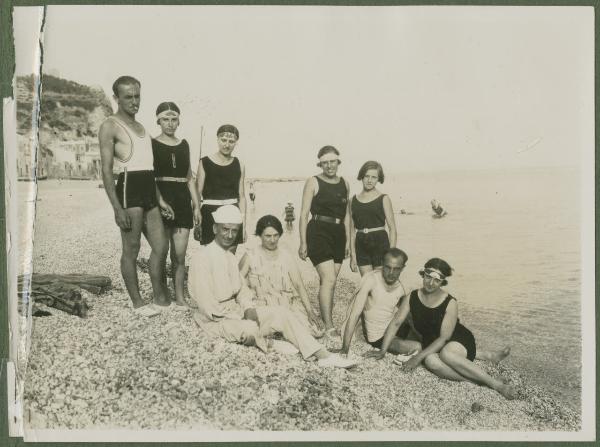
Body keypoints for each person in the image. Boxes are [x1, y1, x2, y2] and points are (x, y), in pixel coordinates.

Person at [187, 205, 356, 369]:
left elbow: (241, 290)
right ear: (215, 229)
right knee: (249, 328)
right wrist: (239, 316)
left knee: (282, 313)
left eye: (234, 231)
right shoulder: (202, 257)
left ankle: (323, 355)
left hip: (234, 310)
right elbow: (206, 303)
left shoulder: (230, 257)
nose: (230, 235)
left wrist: (248, 308)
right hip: (215, 320)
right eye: (225, 229)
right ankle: (270, 343)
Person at [366, 258, 516, 399]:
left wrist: (417, 358)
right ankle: (477, 381)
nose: (431, 283)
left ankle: (496, 385)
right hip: (433, 343)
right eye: (428, 277)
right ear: (422, 275)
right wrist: (383, 350)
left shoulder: (450, 302)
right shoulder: (411, 297)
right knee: (430, 361)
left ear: (442, 282)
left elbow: (444, 337)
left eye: (437, 280)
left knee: (446, 354)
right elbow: (396, 322)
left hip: (458, 340)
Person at [98, 75, 174, 317]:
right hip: (128, 189)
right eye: (128, 96)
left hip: (148, 189)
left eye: (137, 96)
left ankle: (159, 294)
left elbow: (150, 169)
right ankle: (137, 302)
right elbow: (107, 171)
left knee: (161, 247)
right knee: (131, 249)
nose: (134, 101)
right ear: (116, 98)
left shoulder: (142, 128)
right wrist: (117, 209)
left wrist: (160, 199)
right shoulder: (109, 125)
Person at [239, 215, 324, 338]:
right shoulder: (250, 256)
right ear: (259, 235)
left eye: (276, 235)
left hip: (285, 303)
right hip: (261, 304)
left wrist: (310, 311)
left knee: (316, 331)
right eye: (268, 236)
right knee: (251, 331)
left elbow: (299, 285)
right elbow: (237, 283)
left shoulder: (286, 256)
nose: (272, 240)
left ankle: (278, 331)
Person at [151, 101, 201, 306]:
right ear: (158, 121)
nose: (170, 123)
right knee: (161, 251)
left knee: (179, 255)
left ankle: (180, 296)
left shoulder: (184, 145)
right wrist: (160, 201)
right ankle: (161, 294)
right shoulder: (152, 144)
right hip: (160, 199)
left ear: (179, 121)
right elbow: (150, 177)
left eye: (174, 119)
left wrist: (197, 206)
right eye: (166, 119)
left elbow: (189, 178)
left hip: (182, 200)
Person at [298, 146, 350, 337]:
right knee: (329, 279)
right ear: (320, 164)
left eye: (332, 161)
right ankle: (329, 325)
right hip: (318, 232)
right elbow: (303, 214)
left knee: (330, 281)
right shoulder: (313, 181)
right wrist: (303, 242)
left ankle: (323, 313)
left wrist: (347, 243)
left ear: (338, 162)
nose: (329, 166)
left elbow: (347, 217)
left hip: (338, 235)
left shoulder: (345, 183)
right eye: (325, 162)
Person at [339, 248, 421, 355]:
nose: (391, 273)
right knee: (417, 347)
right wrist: (345, 349)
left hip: (395, 328)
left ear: (403, 268)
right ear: (382, 264)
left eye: (396, 269)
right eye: (387, 267)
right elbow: (354, 315)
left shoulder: (403, 285)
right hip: (379, 337)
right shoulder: (371, 280)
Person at [195, 124, 246, 249]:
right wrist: (196, 221)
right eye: (223, 140)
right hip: (209, 213)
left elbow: (242, 196)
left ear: (236, 143)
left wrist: (244, 224)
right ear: (217, 139)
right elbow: (197, 193)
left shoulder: (239, 164)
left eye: (231, 141)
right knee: (210, 257)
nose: (227, 145)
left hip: (233, 213)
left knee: (230, 258)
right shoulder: (204, 162)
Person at [349, 161, 398, 276]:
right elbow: (351, 232)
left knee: (380, 284)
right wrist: (353, 256)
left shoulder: (384, 199)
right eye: (367, 176)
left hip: (380, 244)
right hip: (361, 244)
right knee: (367, 283)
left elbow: (393, 229)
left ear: (378, 179)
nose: (370, 180)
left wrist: (391, 256)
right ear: (362, 176)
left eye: (374, 177)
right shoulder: (352, 201)